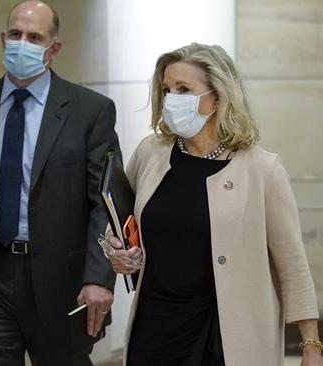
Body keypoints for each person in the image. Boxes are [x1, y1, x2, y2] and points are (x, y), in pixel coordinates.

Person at [103, 43, 322, 366]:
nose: (171, 99)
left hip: (228, 336)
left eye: (183, 89)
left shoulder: (262, 169)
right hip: (156, 327)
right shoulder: (151, 152)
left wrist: (311, 346)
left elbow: (293, 265)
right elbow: (119, 223)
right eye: (166, 90)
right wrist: (115, 251)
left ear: (217, 96)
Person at [0, 1, 120, 365]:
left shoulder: (90, 110)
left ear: (53, 49)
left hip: (61, 283)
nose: (22, 43)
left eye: (34, 37)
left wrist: (99, 277)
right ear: (3, 39)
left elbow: (104, 202)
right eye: (15, 35)